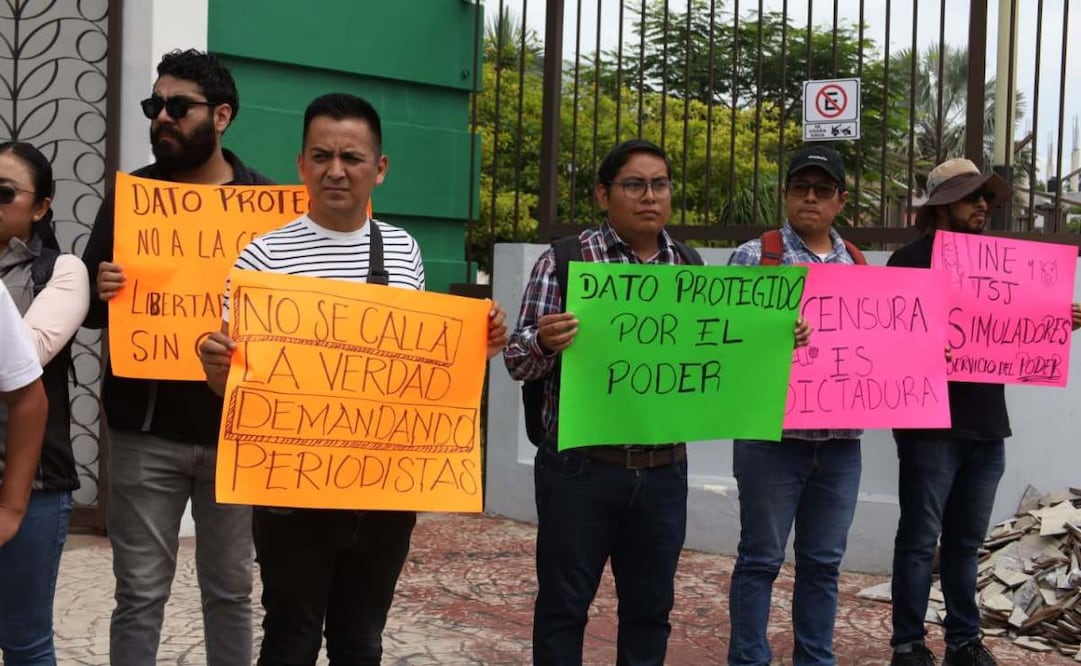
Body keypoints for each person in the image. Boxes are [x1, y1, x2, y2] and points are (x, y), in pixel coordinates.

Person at [198, 92, 508, 666]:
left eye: (351, 157)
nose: (335, 170)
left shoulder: (403, 250)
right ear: (301, 164)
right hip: (290, 493)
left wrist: (475, 346)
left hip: (381, 494)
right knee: (290, 639)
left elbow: (418, 371)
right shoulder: (262, 258)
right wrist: (216, 366)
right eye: (321, 156)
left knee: (361, 640)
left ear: (379, 168)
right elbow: (231, 387)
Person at [504, 138, 810, 665]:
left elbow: (720, 354)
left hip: (664, 472)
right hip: (579, 469)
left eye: (660, 184)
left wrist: (779, 337)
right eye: (635, 185)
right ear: (603, 195)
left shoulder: (688, 266)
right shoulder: (566, 260)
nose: (650, 196)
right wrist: (544, 342)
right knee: (563, 608)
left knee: (650, 612)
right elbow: (516, 360)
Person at [81, 49, 270, 666]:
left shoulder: (268, 206)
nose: (161, 117)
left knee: (231, 593)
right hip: (145, 432)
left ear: (222, 116)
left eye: (177, 106)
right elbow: (87, 312)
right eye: (154, 105)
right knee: (138, 594)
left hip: (235, 433)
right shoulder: (130, 199)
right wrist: (100, 290)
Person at [887, 157, 1081, 666]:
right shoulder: (908, 262)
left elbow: (1019, 323)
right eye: (971, 196)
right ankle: (908, 644)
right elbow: (888, 340)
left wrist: (1055, 322)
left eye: (985, 197)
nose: (982, 205)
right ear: (941, 205)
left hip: (987, 426)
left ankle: (963, 641)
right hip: (929, 426)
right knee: (919, 540)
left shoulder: (1000, 264)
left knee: (965, 542)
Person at [725, 145, 863, 666]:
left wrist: (921, 354)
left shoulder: (858, 264)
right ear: (785, 194)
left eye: (823, 189)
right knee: (760, 560)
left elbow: (880, 341)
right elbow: (721, 336)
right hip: (770, 439)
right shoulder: (754, 256)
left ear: (840, 200)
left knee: (824, 564)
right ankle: (749, 660)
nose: (811, 197)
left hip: (841, 445)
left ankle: (815, 659)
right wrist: (770, 334)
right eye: (801, 187)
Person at [0, 141, 89, 663]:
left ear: (41, 206)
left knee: (25, 640)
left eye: (4, 193)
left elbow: (25, 355)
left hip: (31, 483)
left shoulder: (61, 271)